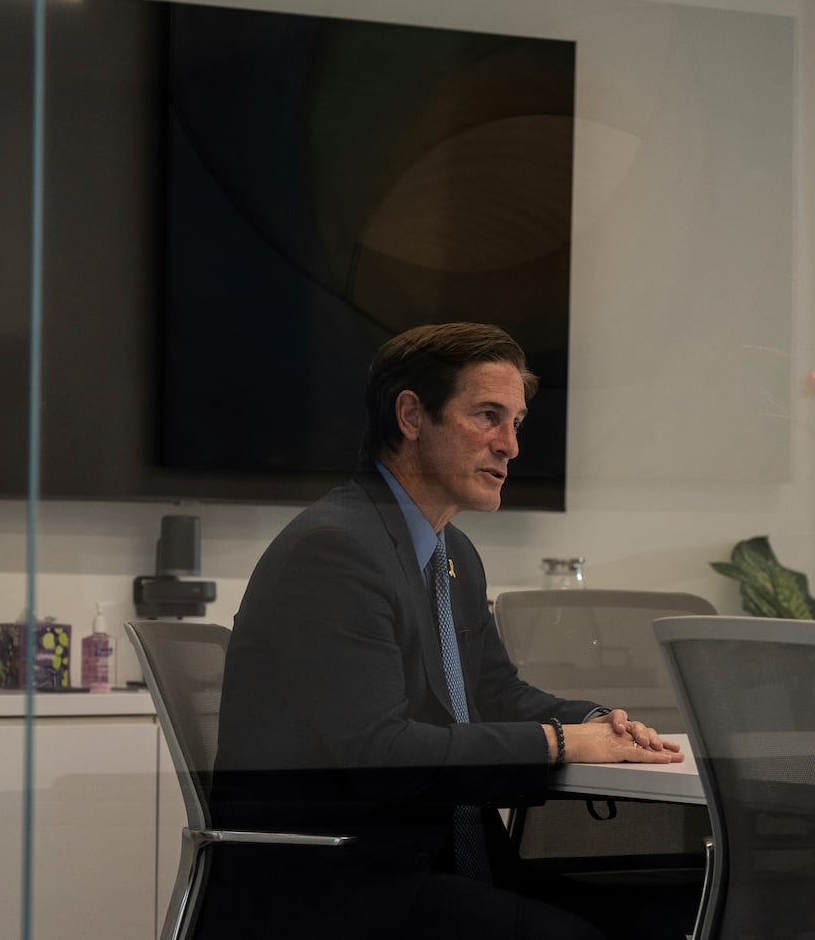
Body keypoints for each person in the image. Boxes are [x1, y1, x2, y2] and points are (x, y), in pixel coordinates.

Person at [207, 323, 687, 940]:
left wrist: (599, 723)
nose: (510, 446)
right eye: (488, 416)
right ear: (411, 415)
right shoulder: (333, 551)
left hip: (426, 866)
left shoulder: (450, 551)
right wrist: (558, 745)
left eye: (517, 422)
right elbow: (380, 756)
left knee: (674, 910)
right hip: (336, 886)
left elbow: (496, 692)